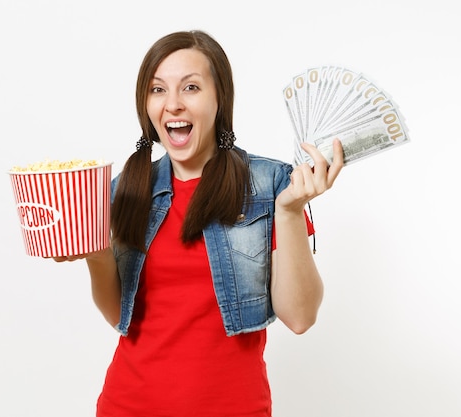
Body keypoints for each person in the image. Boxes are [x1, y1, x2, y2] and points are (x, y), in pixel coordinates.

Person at [53, 30, 343, 417]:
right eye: (158, 90)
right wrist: (95, 255)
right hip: (127, 404)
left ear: (219, 98)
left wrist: (289, 212)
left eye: (190, 88)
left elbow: (300, 317)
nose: (172, 104)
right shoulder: (124, 190)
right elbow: (118, 316)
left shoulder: (272, 185)